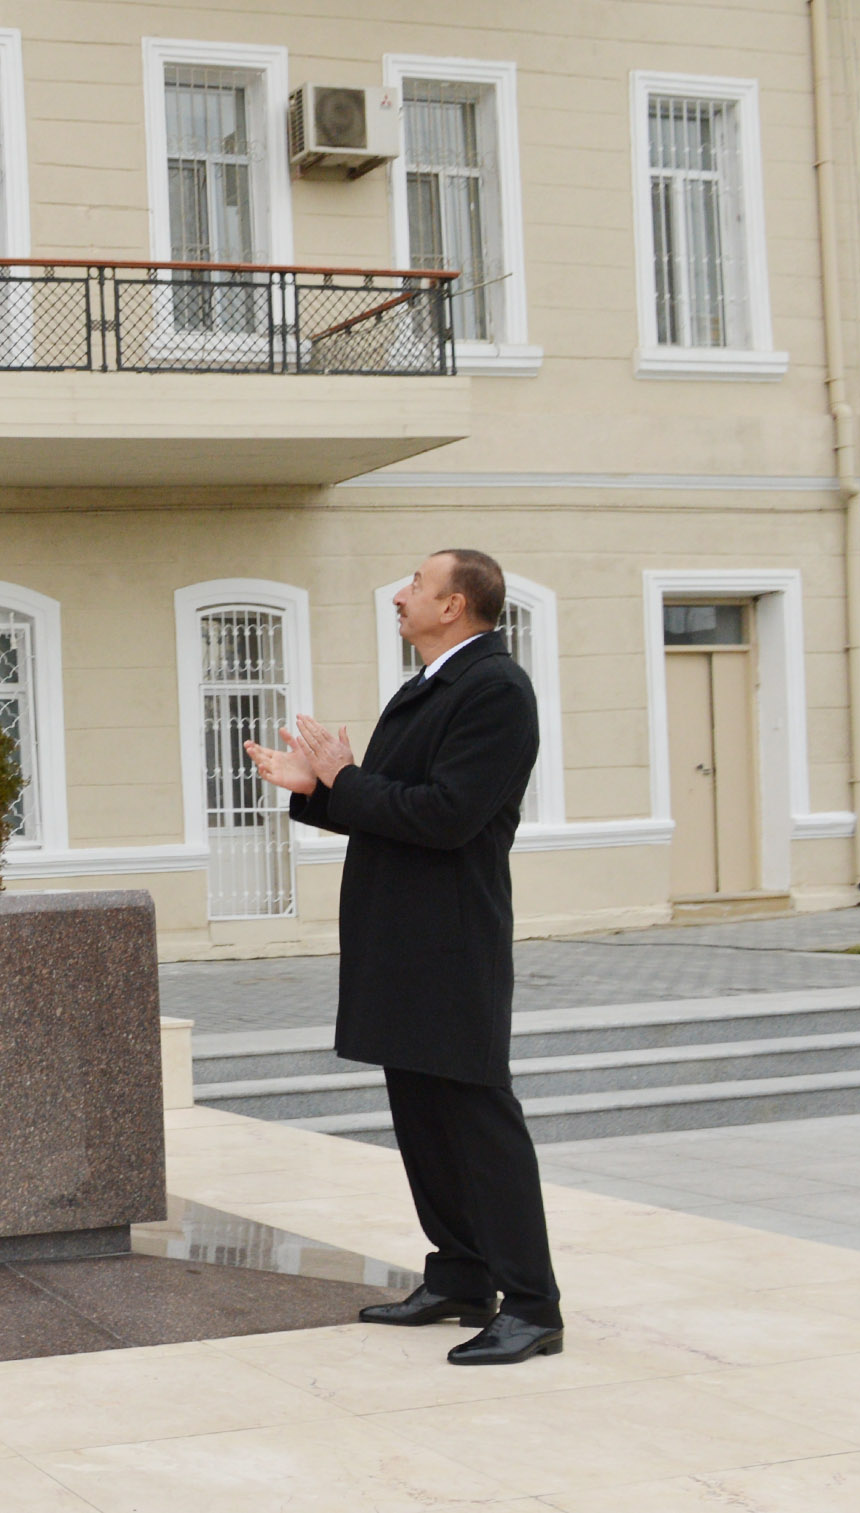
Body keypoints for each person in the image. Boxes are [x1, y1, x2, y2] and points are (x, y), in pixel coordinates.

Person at [246, 549, 563, 1366]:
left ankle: (532, 1303)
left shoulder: (494, 689)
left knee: (477, 1118)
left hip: (451, 940)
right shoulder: (428, 685)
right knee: (423, 1118)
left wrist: (343, 778)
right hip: (403, 937)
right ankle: (460, 1275)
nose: (400, 595)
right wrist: (314, 787)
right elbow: (387, 807)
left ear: (455, 605)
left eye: (416, 586)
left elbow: (448, 815)